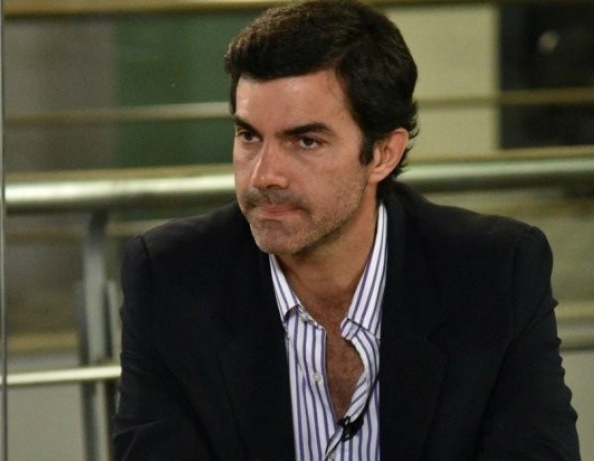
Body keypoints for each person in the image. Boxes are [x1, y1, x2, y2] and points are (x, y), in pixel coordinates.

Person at [113, 0, 580, 460]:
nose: (263, 175)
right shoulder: (171, 278)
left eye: (306, 141)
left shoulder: (494, 273)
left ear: (383, 154)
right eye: (248, 136)